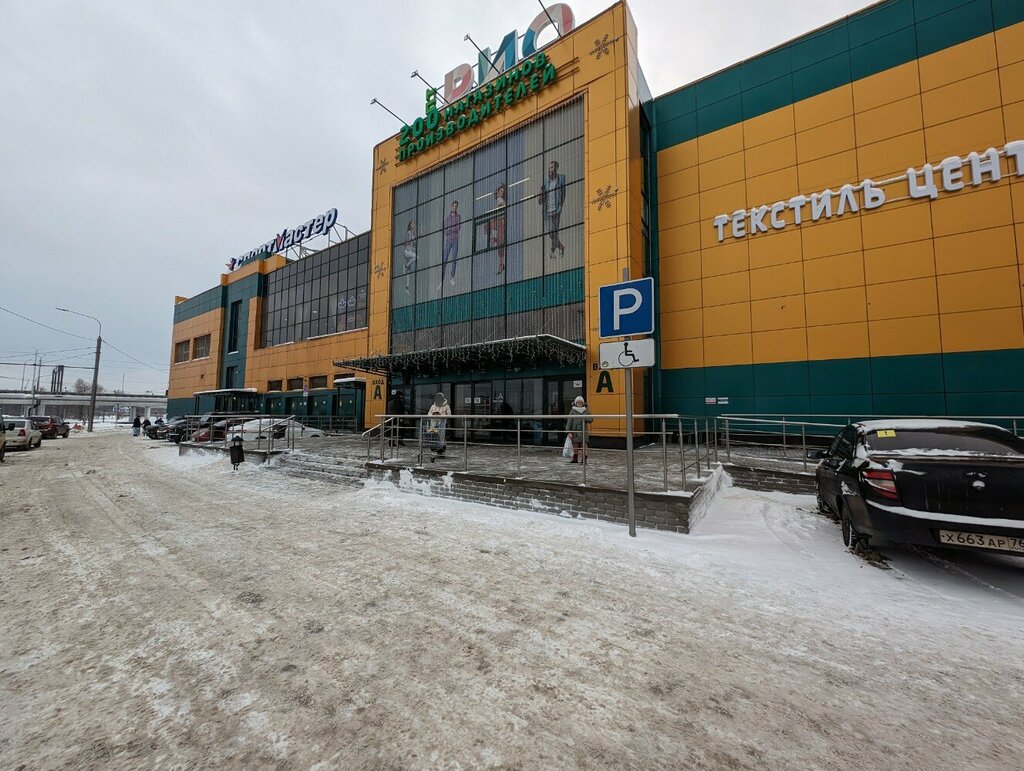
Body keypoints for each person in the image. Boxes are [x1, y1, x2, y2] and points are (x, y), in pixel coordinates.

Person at [539, 160, 566, 260]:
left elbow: (563, 193)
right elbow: (540, 201)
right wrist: (541, 194)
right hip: (547, 212)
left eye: (552, 167)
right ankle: (560, 247)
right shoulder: (546, 183)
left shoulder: (561, 178)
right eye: (549, 168)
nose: (550, 170)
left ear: (556, 168)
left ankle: (552, 252)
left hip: (556, 210)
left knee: (554, 232)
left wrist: (560, 207)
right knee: (551, 233)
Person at [440, 200, 462, 290]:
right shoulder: (446, 219)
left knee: (454, 259)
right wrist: (451, 229)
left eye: (456, 206)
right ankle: (442, 279)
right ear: (451, 207)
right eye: (453, 206)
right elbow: (445, 231)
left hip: (455, 239)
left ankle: (452, 277)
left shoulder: (458, 217)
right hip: (448, 240)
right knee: (445, 259)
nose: (454, 208)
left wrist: (450, 229)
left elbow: (458, 227)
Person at [564, 396, 592, 464]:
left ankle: (584, 460)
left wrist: (585, 418)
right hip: (575, 431)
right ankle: (575, 459)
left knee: (584, 446)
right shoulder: (572, 411)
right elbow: (569, 421)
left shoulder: (586, 410)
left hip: (583, 432)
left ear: (583, 403)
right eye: (578, 402)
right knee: (575, 446)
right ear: (575, 403)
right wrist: (568, 431)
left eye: (580, 402)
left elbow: (590, 419)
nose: (579, 403)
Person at [426, 392, 451, 459]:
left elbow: (449, 415)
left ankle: (441, 451)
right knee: (434, 437)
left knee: (441, 438)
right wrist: (433, 415)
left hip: (442, 424)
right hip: (433, 424)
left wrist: (441, 415)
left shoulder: (446, 406)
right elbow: (429, 414)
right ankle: (435, 450)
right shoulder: (433, 406)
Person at [491, 183, 507, 274]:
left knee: (500, 243)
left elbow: (503, 206)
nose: (500, 192)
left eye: (502, 192)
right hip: (499, 222)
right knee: (500, 244)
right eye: (499, 190)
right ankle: (501, 263)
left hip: (501, 222)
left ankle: (501, 263)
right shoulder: (499, 200)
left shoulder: (500, 200)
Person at [403, 219, 417, 295]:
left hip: (410, 252)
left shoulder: (413, 234)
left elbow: (414, 244)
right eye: (412, 223)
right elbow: (406, 242)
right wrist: (411, 240)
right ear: (410, 225)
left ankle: (407, 288)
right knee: (416, 257)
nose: (413, 225)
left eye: (414, 224)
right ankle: (405, 266)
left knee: (408, 272)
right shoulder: (409, 233)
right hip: (407, 252)